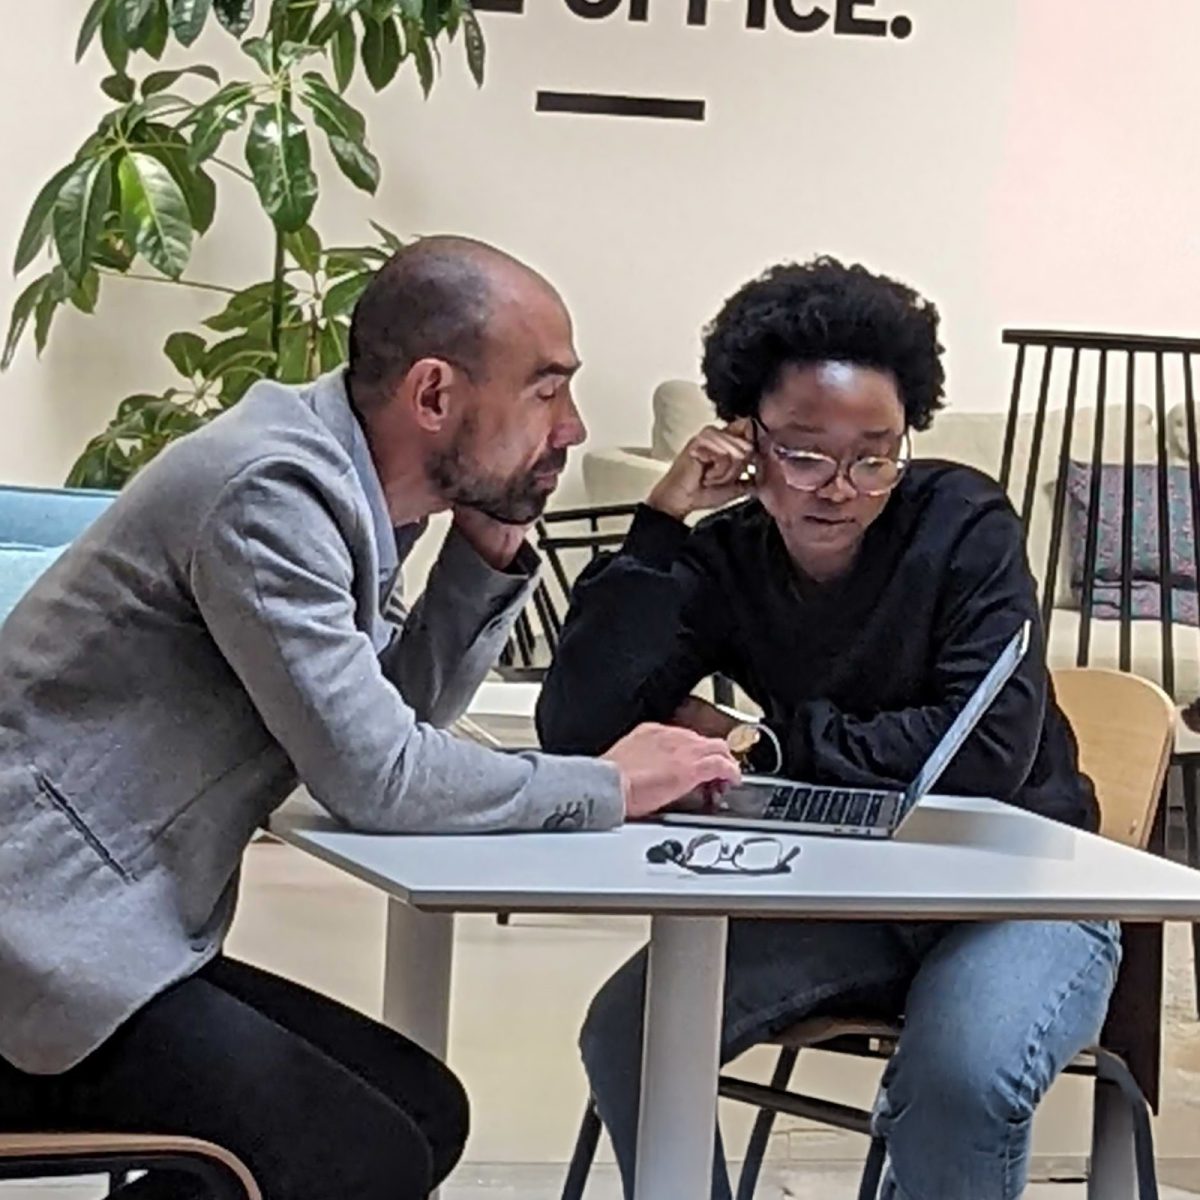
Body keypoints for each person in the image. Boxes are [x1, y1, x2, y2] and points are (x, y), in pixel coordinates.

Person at [0, 236, 741, 1200]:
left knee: (419, 1111)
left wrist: (480, 563)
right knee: (355, 1154)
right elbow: (376, 777)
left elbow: (383, 731)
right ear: (434, 396)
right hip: (34, 952)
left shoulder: (343, 494)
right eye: (546, 390)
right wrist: (614, 782)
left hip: (91, 934)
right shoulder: (270, 489)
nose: (571, 429)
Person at [537, 256, 1121, 1200]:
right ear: (745, 439)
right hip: (849, 889)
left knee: (962, 1078)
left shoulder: (962, 521)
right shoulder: (728, 555)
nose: (840, 487)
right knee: (630, 1033)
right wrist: (661, 522)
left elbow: (979, 756)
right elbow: (579, 730)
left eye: (875, 453)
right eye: (805, 452)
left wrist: (768, 745)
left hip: (1021, 887)